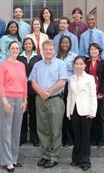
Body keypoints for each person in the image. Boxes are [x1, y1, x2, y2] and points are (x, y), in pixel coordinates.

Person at [29, 40, 69, 168]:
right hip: (40, 100)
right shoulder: (37, 65)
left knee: (55, 130)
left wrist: (49, 91)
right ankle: (45, 154)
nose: (48, 52)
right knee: (42, 129)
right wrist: (41, 92)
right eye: (46, 49)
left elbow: (62, 82)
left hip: (55, 100)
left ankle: (54, 156)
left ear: (54, 50)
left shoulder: (60, 64)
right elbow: (33, 81)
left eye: (50, 49)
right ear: (42, 50)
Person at [0, 41, 27, 172]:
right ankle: (7, 160)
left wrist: (25, 100)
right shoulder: (3, 65)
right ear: (8, 50)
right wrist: (4, 102)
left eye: (17, 48)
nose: (15, 50)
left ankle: (14, 158)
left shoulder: (21, 65)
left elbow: (25, 83)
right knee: (6, 130)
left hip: (20, 99)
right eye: (12, 48)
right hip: (7, 99)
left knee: (16, 130)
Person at [67, 56, 97, 171]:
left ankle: (85, 160)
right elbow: (70, 95)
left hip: (86, 111)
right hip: (74, 110)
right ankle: (76, 158)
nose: (79, 66)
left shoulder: (89, 78)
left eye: (81, 64)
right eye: (77, 64)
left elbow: (92, 95)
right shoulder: (71, 78)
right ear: (74, 65)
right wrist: (68, 111)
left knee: (85, 136)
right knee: (77, 135)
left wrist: (92, 111)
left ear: (85, 65)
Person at [17, 37, 42, 147]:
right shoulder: (19, 57)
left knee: (33, 114)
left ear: (33, 45)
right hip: (21, 88)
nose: (28, 45)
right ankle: (22, 137)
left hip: (33, 88)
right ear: (23, 45)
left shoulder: (38, 57)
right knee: (22, 113)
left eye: (30, 44)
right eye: (26, 43)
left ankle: (34, 137)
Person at [85, 43, 104, 148]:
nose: (93, 51)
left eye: (95, 50)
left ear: (99, 51)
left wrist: (101, 92)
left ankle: (101, 139)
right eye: (91, 49)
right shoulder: (86, 62)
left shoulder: (103, 63)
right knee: (91, 117)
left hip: (100, 93)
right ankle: (93, 139)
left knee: (100, 116)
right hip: (90, 94)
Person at [56, 35, 77, 147]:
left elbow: (75, 74)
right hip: (58, 88)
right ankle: (61, 138)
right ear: (60, 44)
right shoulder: (56, 57)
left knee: (68, 113)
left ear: (70, 44)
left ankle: (69, 139)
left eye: (67, 43)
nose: (65, 45)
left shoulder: (74, 57)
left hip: (69, 86)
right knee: (60, 113)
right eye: (63, 43)